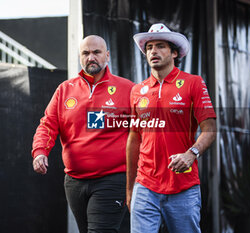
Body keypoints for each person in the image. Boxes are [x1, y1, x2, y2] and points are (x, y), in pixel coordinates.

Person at [32, 35, 134, 233]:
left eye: (96, 52)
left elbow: (142, 132)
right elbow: (47, 125)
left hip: (112, 179)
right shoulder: (64, 90)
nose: (91, 57)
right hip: (74, 181)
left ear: (107, 55)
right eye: (85, 53)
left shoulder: (127, 88)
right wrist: (40, 152)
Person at [126, 23, 217, 233]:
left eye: (160, 46)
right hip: (145, 185)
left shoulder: (193, 83)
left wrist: (191, 154)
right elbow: (134, 139)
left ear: (175, 53)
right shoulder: (137, 90)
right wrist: (130, 189)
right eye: (149, 47)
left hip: (183, 186)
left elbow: (210, 128)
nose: (153, 51)